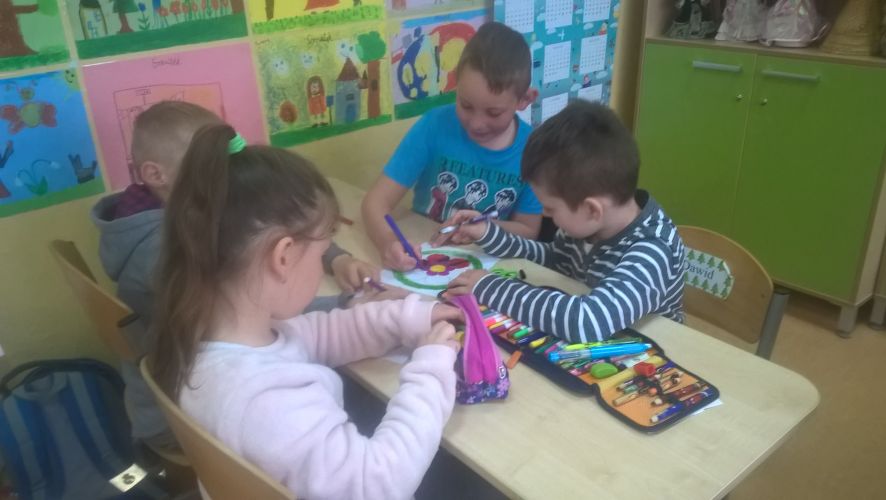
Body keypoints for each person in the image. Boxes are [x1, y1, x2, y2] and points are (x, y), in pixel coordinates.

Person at [149, 124, 462, 499]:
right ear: (283, 257)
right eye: (321, 254)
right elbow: (377, 484)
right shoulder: (267, 401)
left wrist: (406, 317)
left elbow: (316, 335)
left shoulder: (211, 337)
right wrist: (431, 369)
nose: (321, 265)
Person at [91, 101, 379, 450]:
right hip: (178, 421)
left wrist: (335, 258)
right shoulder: (165, 248)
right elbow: (262, 303)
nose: (229, 178)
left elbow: (282, 228)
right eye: (210, 165)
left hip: (190, 394)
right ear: (155, 174)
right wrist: (345, 303)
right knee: (367, 402)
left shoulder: (168, 214)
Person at [442, 101, 686, 343]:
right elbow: (554, 259)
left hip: (654, 352)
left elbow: (588, 321)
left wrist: (491, 288)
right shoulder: (586, 225)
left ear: (591, 210)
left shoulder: (653, 249)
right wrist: (488, 233)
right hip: (602, 340)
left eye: (550, 208)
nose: (545, 214)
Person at [362, 22, 542, 271]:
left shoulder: (533, 150)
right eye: (466, 105)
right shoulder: (434, 126)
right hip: (425, 253)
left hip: (486, 267)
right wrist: (388, 243)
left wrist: (484, 230)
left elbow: (528, 230)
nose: (476, 124)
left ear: (525, 99)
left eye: (493, 113)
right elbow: (375, 203)